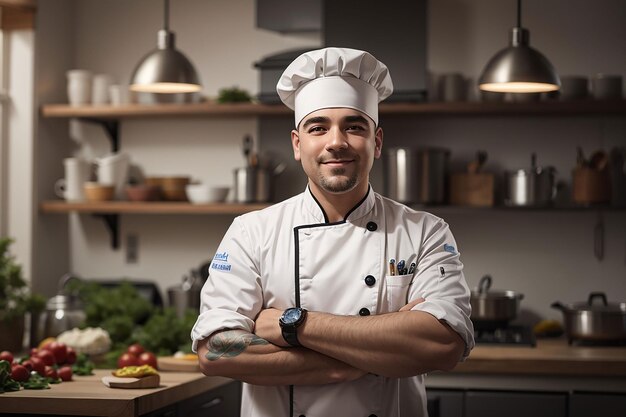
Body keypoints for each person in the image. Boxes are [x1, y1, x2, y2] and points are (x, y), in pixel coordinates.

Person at [191, 47, 475, 417]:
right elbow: (215, 352)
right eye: (318, 127)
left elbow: (444, 346)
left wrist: (291, 323)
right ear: (297, 143)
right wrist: (362, 361)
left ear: (377, 142)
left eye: (354, 126)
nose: (336, 141)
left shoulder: (426, 232)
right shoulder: (251, 232)